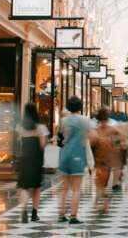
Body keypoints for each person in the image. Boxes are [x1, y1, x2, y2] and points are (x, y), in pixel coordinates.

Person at [57, 96, 90, 224]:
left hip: (64, 154)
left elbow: (60, 135)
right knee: (76, 189)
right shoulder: (85, 121)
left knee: (64, 188)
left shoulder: (63, 121)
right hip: (77, 154)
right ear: (80, 107)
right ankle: (73, 216)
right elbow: (89, 136)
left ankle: (61, 214)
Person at [89, 108, 128, 213]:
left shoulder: (107, 129)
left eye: (104, 120)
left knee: (102, 182)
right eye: (102, 120)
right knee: (100, 181)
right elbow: (92, 142)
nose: (103, 123)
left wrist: (119, 144)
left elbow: (122, 136)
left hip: (106, 160)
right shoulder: (99, 130)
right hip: (100, 159)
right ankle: (101, 203)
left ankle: (102, 204)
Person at [16, 103, 48, 223]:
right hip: (36, 160)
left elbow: (19, 142)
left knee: (24, 187)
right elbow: (42, 145)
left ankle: (24, 211)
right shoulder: (40, 128)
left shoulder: (20, 127)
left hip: (24, 159)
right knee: (36, 187)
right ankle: (34, 214)